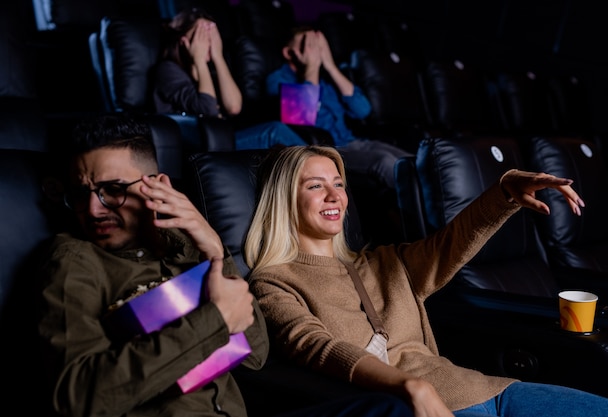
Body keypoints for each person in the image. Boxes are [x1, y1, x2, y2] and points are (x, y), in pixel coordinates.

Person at [36, 114, 417, 417]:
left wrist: (213, 248)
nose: (92, 209)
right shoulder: (74, 261)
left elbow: (254, 354)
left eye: (113, 190)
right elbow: (78, 398)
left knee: (389, 409)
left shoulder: (187, 249)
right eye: (79, 193)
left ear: (157, 185)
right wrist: (214, 320)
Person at [244, 145, 608, 417]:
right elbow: (319, 348)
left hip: (492, 390)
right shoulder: (273, 283)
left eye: (339, 183)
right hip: (421, 408)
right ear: (284, 201)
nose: (334, 195)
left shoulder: (385, 262)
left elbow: (452, 244)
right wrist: (413, 386)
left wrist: (505, 190)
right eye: (315, 185)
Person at [266, 27, 413, 192]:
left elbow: (363, 110)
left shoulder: (327, 79)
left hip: (355, 142)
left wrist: (330, 65)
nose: (315, 49)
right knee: (385, 161)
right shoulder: (278, 79)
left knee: (412, 161)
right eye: (308, 44)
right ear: (288, 52)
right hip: (328, 151)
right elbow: (300, 121)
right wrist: (312, 68)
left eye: (318, 45)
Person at [152, 7, 308, 150]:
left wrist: (218, 56)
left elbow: (234, 107)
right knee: (273, 132)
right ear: (184, 41)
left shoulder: (210, 73)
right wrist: (199, 60)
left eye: (212, 34)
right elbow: (209, 110)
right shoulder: (168, 70)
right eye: (202, 34)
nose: (209, 41)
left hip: (221, 139)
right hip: (195, 143)